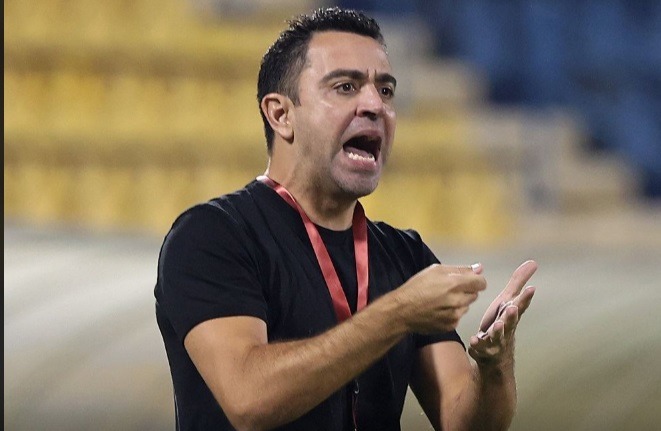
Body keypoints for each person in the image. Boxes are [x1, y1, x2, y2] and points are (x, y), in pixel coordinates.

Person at [155, 7, 538, 431]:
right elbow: (249, 399)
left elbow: (465, 422)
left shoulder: (405, 256)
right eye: (345, 87)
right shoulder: (212, 236)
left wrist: (494, 365)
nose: (375, 105)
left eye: (386, 91)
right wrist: (397, 313)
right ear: (281, 115)